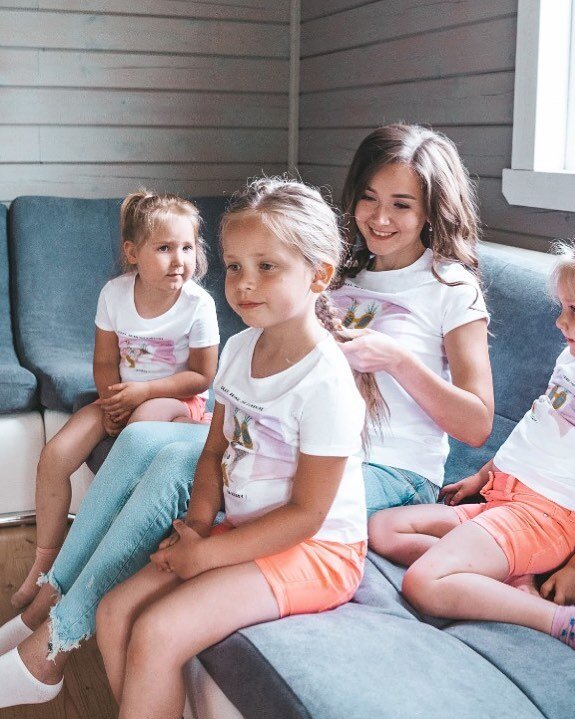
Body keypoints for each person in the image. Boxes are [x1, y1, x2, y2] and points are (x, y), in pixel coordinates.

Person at [0, 177, 376, 711]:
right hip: (241, 529)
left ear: (319, 274)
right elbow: (213, 451)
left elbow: (308, 516)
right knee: (113, 611)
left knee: (157, 630)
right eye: (235, 266)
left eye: (267, 267)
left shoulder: (327, 382)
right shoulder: (241, 349)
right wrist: (196, 527)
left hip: (315, 552)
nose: (244, 283)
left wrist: (207, 554)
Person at [369, 207, 575, 679]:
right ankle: (504, 577)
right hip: (502, 500)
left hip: (544, 522)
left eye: (574, 310)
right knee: (383, 529)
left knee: (422, 582)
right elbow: (536, 426)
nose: (560, 321)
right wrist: (484, 474)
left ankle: (563, 622)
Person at [11, 190, 220, 611]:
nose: (179, 260)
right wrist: (111, 403)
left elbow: (202, 376)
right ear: (132, 253)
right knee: (56, 455)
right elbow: (105, 362)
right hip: (122, 396)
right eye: (164, 248)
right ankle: (45, 564)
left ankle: (97, 558)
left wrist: (143, 394)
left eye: (187, 247)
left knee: (141, 427)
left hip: (177, 399)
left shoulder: (198, 304)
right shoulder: (114, 294)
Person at [331, 124, 494, 513]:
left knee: (296, 509)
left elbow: (477, 426)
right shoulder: (338, 277)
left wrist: (397, 360)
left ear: (431, 211)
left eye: (401, 205)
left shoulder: (452, 287)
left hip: (397, 470)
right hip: (320, 452)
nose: (380, 218)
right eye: (369, 198)